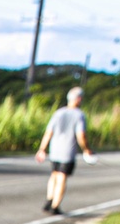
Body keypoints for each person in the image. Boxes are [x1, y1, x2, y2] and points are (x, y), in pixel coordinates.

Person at [36, 86, 92, 214]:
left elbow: (48, 132)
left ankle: (49, 200)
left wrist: (42, 149)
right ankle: (55, 206)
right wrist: (86, 149)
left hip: (54, 150)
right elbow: (81, 135)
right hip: (67, 152)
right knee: (62, 177)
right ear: (78, 99)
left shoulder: (58, 113)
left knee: (54, 175)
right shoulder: (79, 115)